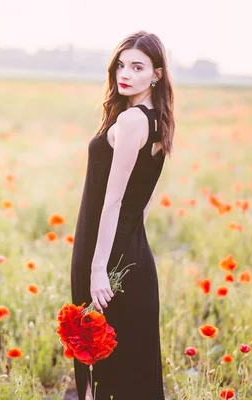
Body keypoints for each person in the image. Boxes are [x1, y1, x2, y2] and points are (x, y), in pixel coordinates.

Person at [69, 30, 175, 400]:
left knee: (100, 364)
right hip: (133, 252)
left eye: (138, 66)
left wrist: (99, 267)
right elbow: (142, 202)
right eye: (121, 64)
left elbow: (112, 202)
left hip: (108, 256)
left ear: (157, 74)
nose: (124, 73)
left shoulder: (131, 123)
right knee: (130, 367)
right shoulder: (158, 122)